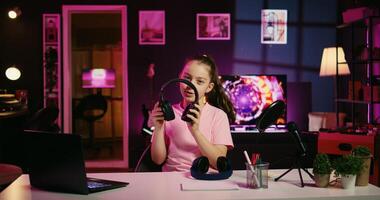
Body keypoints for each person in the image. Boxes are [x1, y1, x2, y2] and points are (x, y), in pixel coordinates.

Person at [149, 54, 235, 172]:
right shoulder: (168, 113)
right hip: (172, 178)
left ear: (209, 87)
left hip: (205, 181)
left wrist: (195, 131)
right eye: (187, 78)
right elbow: (157, 160)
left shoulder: (218, 116)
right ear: (179, 78)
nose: (190, 86)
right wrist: (158, 128)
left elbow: (218, 163)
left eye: (199, 81)